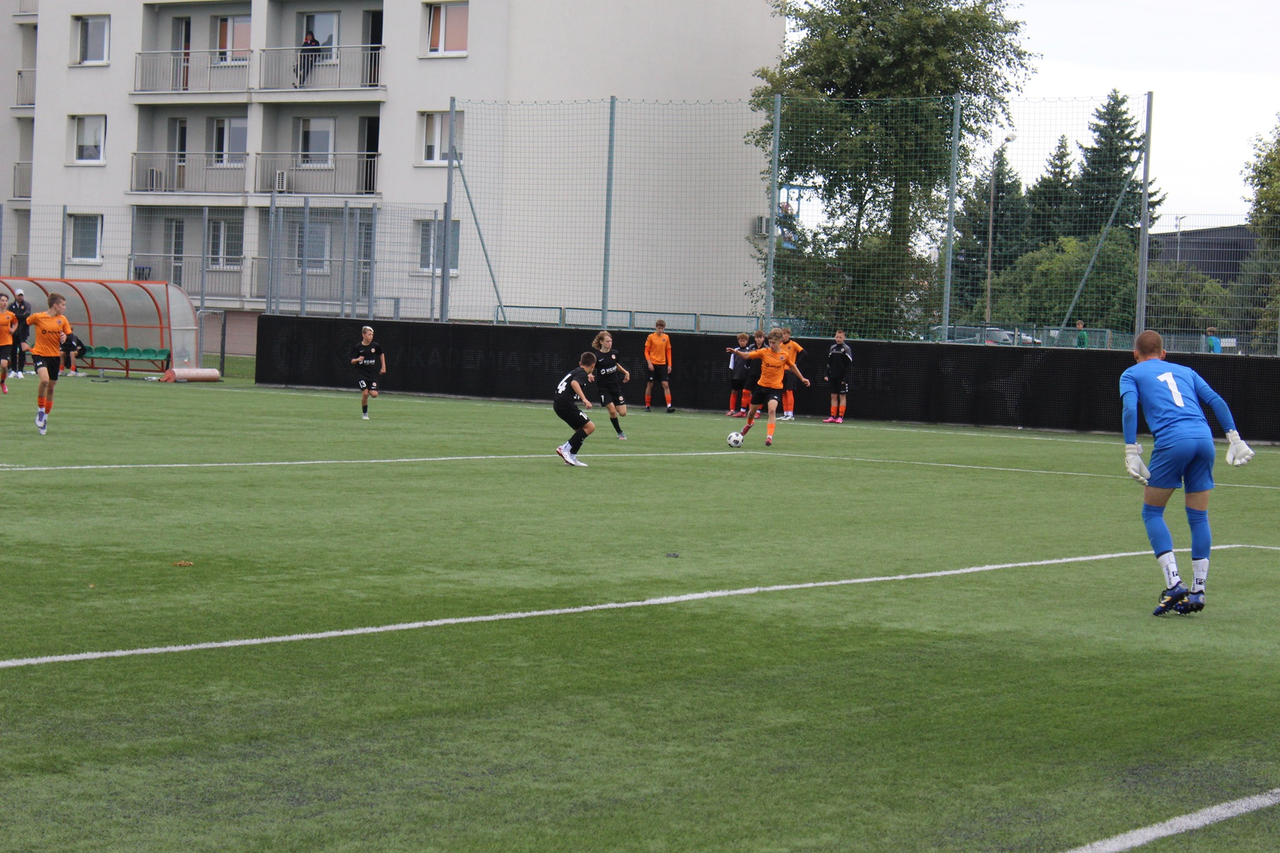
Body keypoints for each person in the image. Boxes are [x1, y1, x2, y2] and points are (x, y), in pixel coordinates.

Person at [1120, 330, 1255, 616]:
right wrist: (1234, 437)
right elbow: (1216, 401)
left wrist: (1131, 450)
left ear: (1135, 354)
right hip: (1204, 440)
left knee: (1152, 512)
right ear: (1164, 353)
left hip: (1173, 441)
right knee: (1198, 517)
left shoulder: (1131, 373)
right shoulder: (1186, 371)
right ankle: (1198, 590)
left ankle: (1173, 584)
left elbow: (1130, 408)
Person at [726, 328, 809, 447]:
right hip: (761, 386)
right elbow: (747, 355)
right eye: (770, 342)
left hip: (775, 388)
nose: (771, 345)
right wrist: (736, 352)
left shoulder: (784, 355)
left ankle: (769, 437)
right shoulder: (764, 352)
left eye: (773, 343)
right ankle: (749, 424)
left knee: (771, 410)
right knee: (751, 412)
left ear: (780, 341)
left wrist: (802, 378)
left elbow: (793, 366)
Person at [22, 292, 73, 436]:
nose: (64, 308)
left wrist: (65, 337)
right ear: (55, 305)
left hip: (54, 357)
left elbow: (70, 338)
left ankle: (45, 417)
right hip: (39, 354)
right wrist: (23, 341)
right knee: (44, 380)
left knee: (51, 388)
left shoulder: (62, 320)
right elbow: (24, 325)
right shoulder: (38, 317)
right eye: (63, 305)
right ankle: (40, 410)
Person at [554, 351, 596, 467]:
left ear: (580, 363)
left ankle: (572, 456)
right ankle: (564, 448)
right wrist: (584, 399)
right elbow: (574, 383)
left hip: (559, 404)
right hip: (565, 405)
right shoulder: (582, 373)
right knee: (590, 427)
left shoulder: (578, 371)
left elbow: (574, 378)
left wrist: (588, 375)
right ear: (593, 366)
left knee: (581, 430)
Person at [591, 331, 630, 440]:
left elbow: (616, 364)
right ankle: (620, 433)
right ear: (601, 342)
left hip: (615, 387)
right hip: (603, 388)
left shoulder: (614, 353)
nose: (610, 343)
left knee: (623, 413)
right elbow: (591, 367)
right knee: (612, 411)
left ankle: (614, 406)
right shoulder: (597, 356)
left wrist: (626, 372)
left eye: (611, 341)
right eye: (607, 341)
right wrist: (589, 374)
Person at [349, 325, 386, 419]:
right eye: (369, 334)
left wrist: (383, 366)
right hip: (361, 374)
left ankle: (369, 388)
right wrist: (358, 359)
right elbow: (352, 361)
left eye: (372, 335)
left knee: (374, 394)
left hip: (372, 374)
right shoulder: (358, 347)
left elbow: (381, 354)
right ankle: (364, 414)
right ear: (363, 335)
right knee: (365, 393)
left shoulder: (375, 346)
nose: (371, 337)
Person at [643, 319, 674, 412]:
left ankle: (669, 406)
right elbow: (646, 351)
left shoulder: (666, 337)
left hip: (662, 364)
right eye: (659, 328)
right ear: (656, 327)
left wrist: (669, 365)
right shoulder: (651, 337)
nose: (660, 330)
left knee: (665, 384)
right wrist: (649, 363)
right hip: (653, 364)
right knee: (650, 384)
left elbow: (668, 351)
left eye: (662, 328)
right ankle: (647, 405)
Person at [823, 329, 853, 423]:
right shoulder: (832, 348)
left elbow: (849, 365)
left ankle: (841, 416)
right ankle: (833, 416)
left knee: (842, 396)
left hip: (842, 376)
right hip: (833, 376)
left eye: (840, 337)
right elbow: (829, 363)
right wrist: (826, 374)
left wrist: (846, 378)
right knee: (833, 396)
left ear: (844, 337)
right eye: (837, 337)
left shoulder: (846, 349)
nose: (838, 339)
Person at [736, 328, 767, 417]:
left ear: (763, 338)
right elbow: (747, 359)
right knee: (745, 391)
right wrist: (748, 368)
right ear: (755, 338)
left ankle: (757, 412)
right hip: (751, 373)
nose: (758, 339)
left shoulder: (766, 348)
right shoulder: (751, 347)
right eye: (757, 337)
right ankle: (742, 411)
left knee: (759, 393)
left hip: (762, 374)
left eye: (760, 337)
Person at [779, 327, 804, 420]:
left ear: (789, 335)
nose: (783, 336)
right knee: (783, 392)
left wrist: (795, 365)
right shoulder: (780, 345)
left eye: (785, 334)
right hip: (782, 371)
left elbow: (804, 353)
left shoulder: (793, 344)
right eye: (782, 334)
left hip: (791, 372)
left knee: (789, 391)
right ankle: (785, 413)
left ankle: (790, 413)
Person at [726, 332, 751, 416]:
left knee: (747, 393)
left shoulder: (749, 350)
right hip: (736, 375)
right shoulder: (735, 351)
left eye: (743, 341)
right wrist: (730, 373)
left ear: (747, 341)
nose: (742, 342)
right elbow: (731, 363)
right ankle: (732, 410)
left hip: (745, 375)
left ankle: (749, 410)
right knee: (734, 392)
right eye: (740, 341)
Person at [10, 288, 31, 377]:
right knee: (13, 351)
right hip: (13, 332)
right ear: (15, 296)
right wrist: (16, 317)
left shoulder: (26, 305)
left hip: (23, 332)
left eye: (21, 295)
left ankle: (20, 370)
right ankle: (13, 369)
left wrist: (15, 316)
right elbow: (9, 317)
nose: (20, 297)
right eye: (19, 295)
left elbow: (26, 316)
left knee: (22, 351)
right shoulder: (11, 306)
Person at [0, 293, 15, 394]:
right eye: (2, 300)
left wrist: (13, 329)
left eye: (6, 301)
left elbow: (16, 322)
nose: (4, 302)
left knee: (4, 365)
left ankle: (2, 382)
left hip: (6, 343)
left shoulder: (10, 315)